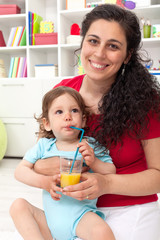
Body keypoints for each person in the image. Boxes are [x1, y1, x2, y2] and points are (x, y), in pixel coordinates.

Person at [31, 4, 160, 240]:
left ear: (127, 55)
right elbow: (39, 160)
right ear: (82, 43)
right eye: (93, 41)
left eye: (113, 46)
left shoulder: (146, 102)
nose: (99, 54)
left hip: (129, 208)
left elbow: (158, 175)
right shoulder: (63, 93)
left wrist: (106, 182)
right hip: (71, 210)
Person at [10, 86, 116, 240]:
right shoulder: (44, 146)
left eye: (74, 111)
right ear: (47, 123)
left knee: (102, 231)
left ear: (83, 119)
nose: (67, 116)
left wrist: (94, 162)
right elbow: (20, 171)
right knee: (18, 206)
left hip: (81, 217)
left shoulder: (91, 145)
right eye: (59, 112)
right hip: (50, 222)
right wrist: (44, 182)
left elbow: (110, 171)